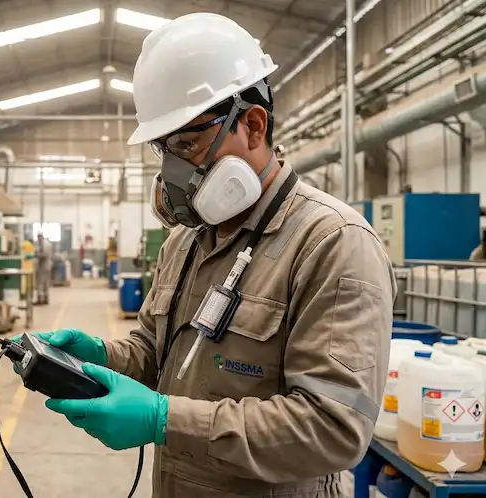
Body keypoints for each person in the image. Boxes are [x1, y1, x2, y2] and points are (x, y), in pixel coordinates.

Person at [22, 13, 396, 497]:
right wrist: (100, 359)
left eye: (187, 143)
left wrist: (164, 420)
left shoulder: (331, 242)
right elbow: (157, 356)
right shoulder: (186, 240)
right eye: (164, 149)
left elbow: (332, 429)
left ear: (254, 125)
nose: (174, 170)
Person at [34, 233, 52, 305]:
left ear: (40, 237)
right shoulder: (47, 243)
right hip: (47, 266)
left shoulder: (43, 244)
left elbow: (44, 254)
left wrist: (36, 255)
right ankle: (46, 299)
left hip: (43, 266)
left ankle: (40, 300)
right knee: (46, 284)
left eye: (38, 237)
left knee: (40, 283)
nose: (38, 239)